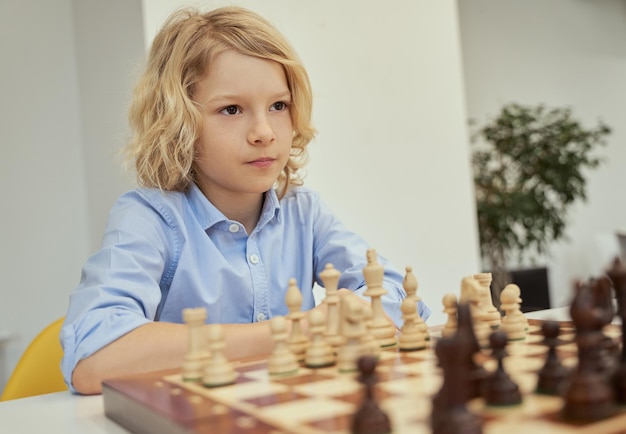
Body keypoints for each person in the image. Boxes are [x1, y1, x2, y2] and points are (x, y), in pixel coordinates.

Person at [60, 5, 431, 395]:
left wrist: (358, 314)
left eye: (278, 106)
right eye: (231, 109)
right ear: (178, 122)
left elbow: (396, 298)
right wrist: (291, 333)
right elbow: (92, 358)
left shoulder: (302, 212)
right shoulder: (150, 218)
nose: (263, 132)